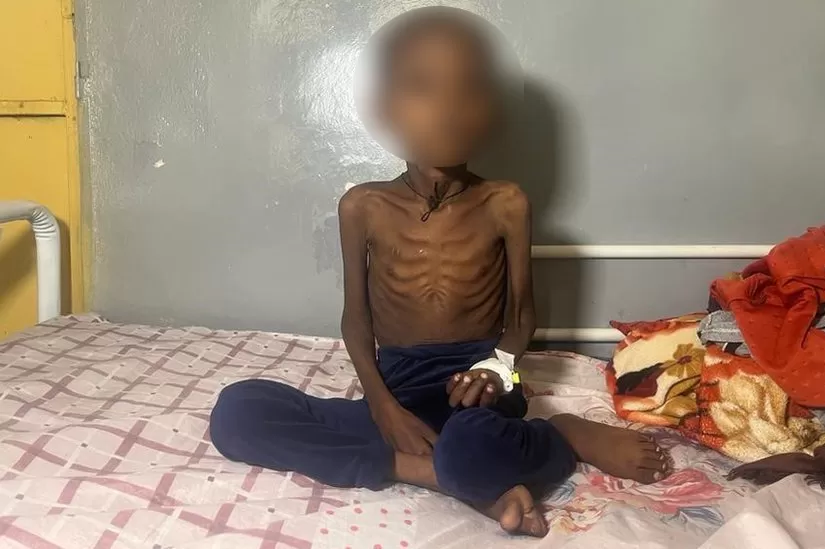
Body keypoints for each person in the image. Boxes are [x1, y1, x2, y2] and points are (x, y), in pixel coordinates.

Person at [209, 7, 671, 537]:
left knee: (471, 442)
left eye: (470, 90)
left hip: (481, 383)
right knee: (238, 412)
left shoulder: (505, 203)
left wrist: (498, 368)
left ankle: (560, 435)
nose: (448, 109)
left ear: (493, 108)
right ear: (385, 107)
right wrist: (382, 407)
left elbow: (522, 315)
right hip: (399, 385)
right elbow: (356, 320)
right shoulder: (363, 206)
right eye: (421, 88)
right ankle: (433, 472)